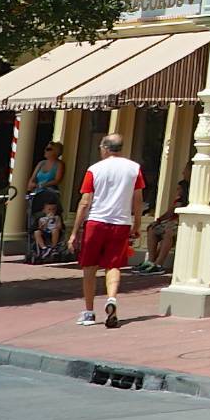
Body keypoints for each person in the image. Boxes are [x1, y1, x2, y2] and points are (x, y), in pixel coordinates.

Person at [70, 132, 144, 329]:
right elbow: (137, 199)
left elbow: (85, 202)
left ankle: (88, 311)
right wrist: (137, 224)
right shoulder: (134, 169)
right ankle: (111, 298)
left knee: (89, 267)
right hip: (121, 222)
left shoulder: (94, 169)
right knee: (113, 265)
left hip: (96, 221)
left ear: (104, 148)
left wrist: (75, 231)